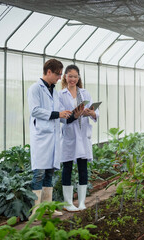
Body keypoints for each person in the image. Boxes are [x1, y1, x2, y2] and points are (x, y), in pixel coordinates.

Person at [27, 59, 72, 217]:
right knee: (39, 172)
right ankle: (35, 211)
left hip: (53, 137)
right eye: (58, 74)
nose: (60, 78)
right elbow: (35, 111)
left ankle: (48, 208)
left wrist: (68, 115)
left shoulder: (54, 91)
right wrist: (57, 114)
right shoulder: (35, 88)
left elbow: (58, 112)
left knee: (50, 172)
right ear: (48, 72)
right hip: (41, 137)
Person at [59, 64, 99, 212]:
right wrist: (73, 115)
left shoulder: (85, 93)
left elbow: (96, 113)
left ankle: (81, 202)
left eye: (75, 76)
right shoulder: (60, 95)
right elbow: (60, 116)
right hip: (70, 135)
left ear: (79, 78)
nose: (73, 79)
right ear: (65, 77)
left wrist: (91, 113)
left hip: (83, 135)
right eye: (70, 76)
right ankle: (68, 203)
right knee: (67, 168)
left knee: (83, 168)